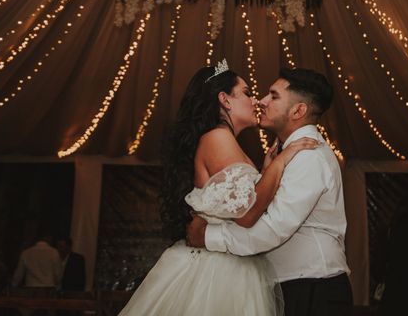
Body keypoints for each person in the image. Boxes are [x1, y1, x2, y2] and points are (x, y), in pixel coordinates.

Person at [118, 61, 319, 315]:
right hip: (216, 274)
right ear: (225, 100)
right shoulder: (218, 138)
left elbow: (240, 205)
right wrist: (280, 162)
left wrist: (265, 172)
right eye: (246, 92)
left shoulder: (226, 141)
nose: (256, 100)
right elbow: (247, 215)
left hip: (228, 264)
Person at [187, 67, 352, 316]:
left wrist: (206, 236)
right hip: (297, 286)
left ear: (298, 110)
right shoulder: (285, 153)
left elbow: (271, 229)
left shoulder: (308, 155)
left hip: (313, 287)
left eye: (273, 96)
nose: (261, 101)